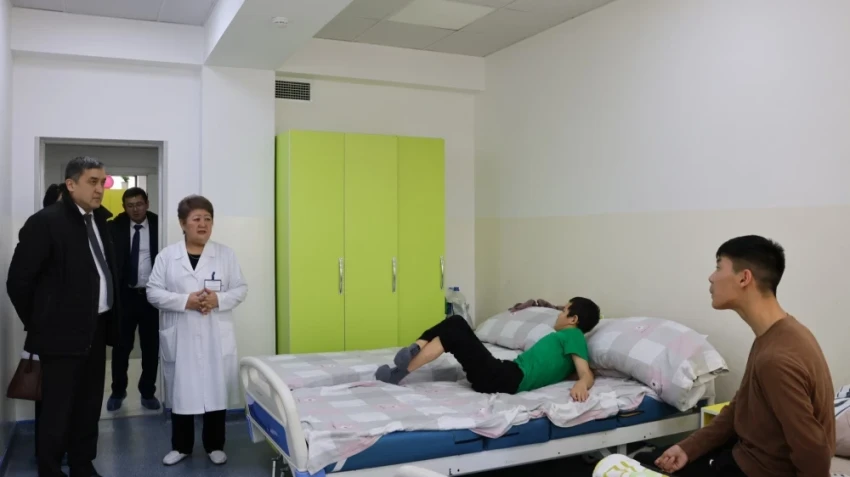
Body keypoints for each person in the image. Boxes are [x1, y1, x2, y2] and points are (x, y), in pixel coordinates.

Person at [639, 235, 834, 477]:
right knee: (646, 460)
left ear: (744, 278)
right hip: (744, 455)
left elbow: (814, 452)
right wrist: (688, 448)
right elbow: (739, 407)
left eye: (719, 266)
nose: (711, 277)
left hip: (756, 470)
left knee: (635, 467)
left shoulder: (776, 358)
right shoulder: (778, 334)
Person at [7, 156, 121, 477]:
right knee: (57, 410)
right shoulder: (46, 222)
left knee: (89, 404)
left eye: (102, 182)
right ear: (71, 184)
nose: (100, 189)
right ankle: (51, 469)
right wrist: (42, 323)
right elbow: (18, 282)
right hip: (59, 336)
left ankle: (83, 465)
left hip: (96, 329)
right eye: (92, 182)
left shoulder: (99, 220)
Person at [146, 195, 247, 467]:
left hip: (215, 334)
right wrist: (185, 301)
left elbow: (240, 288)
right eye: (196, 219)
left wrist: (218, 300)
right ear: (183, 223)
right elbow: (153, 292)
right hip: (182, 333)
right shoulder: (168, 256)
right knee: (182, 391)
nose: (203, 224)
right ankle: (181, 446)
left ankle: (215, 445)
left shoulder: (225, 254)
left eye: (208, 219)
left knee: (215, 389)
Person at [376, 297, 601, 400]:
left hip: (505, 378)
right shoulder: (567, 340)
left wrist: (582, 383)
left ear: (574, 319)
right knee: (452, 331)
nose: (559, 313)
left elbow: (585, 373)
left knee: (456, 323)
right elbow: (566, 369)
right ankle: (405, 363)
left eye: (564, 310)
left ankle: (414, 351)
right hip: (502, 374)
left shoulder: (573, 336)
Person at [106, 187, 161, 412]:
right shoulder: (115, 227)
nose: (135, 209)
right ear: (124, 207)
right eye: (130, 206)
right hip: (125, 297)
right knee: (121, 347)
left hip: (152, 297)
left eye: (139, 204)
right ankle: (118, 391)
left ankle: (147, 392)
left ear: (147, 203)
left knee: (151, 347)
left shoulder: (159, 224)